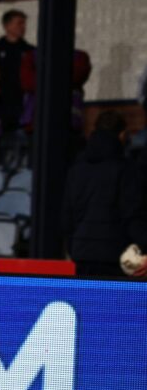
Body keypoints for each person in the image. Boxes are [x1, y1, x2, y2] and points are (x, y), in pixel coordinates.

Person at [62, 110, 147, 277]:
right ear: (122, 135)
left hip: (82, 255)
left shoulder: (76, 170)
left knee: (86, 302)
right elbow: (133, 216)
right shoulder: (126, 170)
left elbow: (66, 218)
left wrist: (74, 247)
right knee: (114, 303)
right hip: (114, 257)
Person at [0, 9, 34, 171]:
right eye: (19, 23)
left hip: (23, 107)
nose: (23, 27)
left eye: (24, 23)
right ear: (7, 26)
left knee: (22, 146)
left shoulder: (30, 51)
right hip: (0, 107)